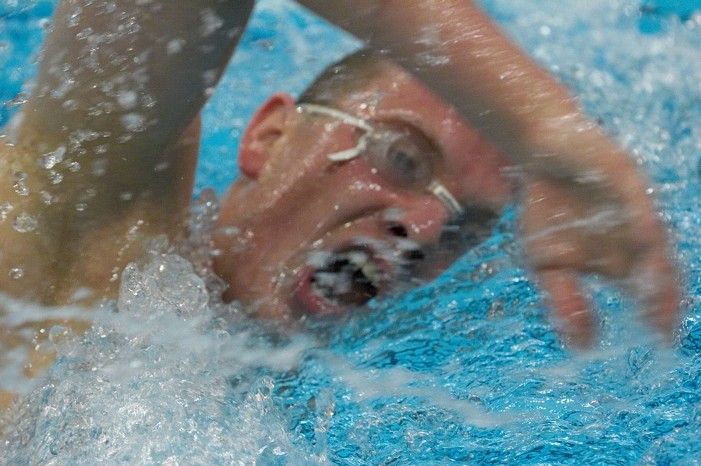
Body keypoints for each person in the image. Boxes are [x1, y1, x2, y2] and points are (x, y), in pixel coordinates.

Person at [0, 0, 679, 350]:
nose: (424, 225)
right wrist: (541, 125)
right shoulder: (76, 243)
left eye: (462, 229)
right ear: (267, 137)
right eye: (402, 158)